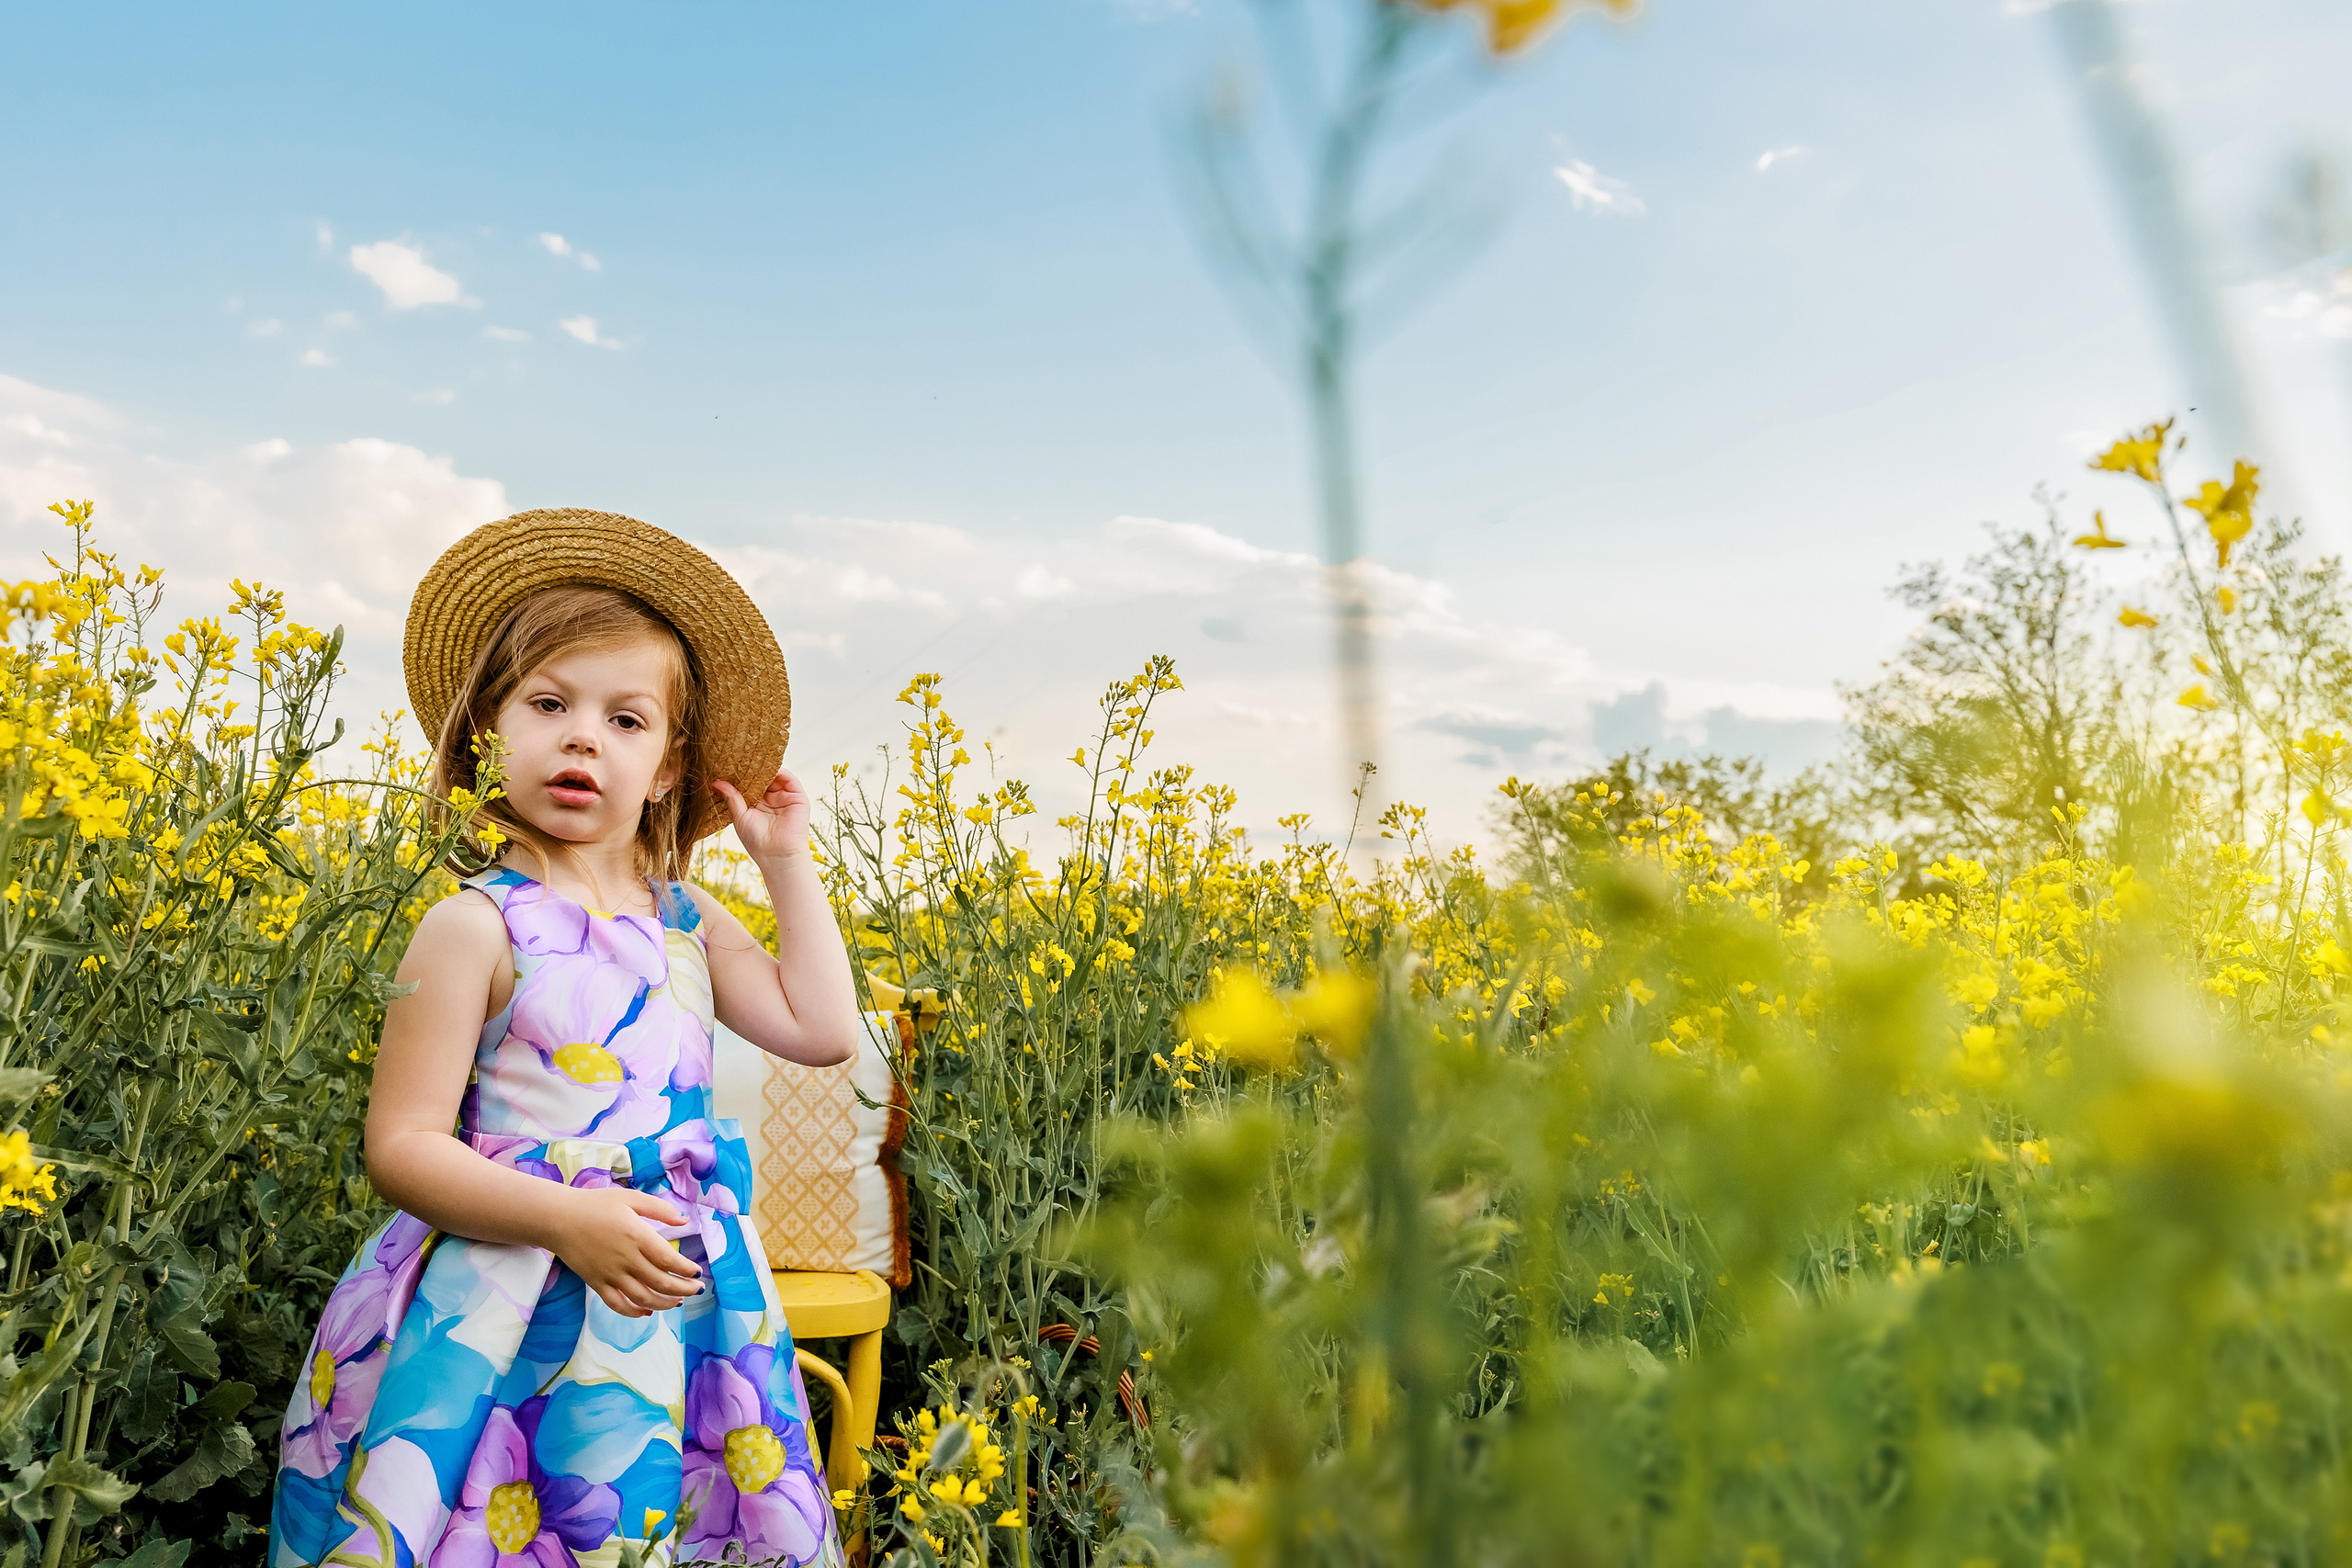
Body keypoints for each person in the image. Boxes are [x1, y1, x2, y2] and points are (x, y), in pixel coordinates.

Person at [269, 509, 859, 1568]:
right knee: (500, 1524)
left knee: (653, 1522)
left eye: (627, 720)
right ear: (486, 736)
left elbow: (821, 1032)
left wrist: (783, 862)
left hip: (674, 1303)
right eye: (549, 705)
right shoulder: (474, 925)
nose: (585, 736)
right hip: (502, 1298)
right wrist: (566, 1218)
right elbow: (401, 1146)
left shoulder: (685, 919)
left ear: (669, 769)